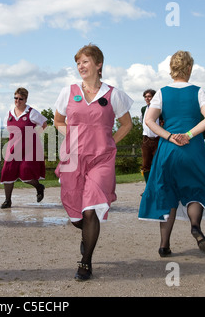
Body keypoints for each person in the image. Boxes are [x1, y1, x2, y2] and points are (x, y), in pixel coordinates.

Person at [138, 50, 205, 257]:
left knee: (167, 194)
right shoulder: (199, 92)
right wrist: (189, 134)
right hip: (193, 149)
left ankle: (164, 245)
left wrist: (170, 136)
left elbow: (149, 121)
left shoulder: (162, 92)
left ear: (171, 69)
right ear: (189, 68)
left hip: (169, 150)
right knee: (195, 191)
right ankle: (195, 227)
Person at [54, 44, 133, 281]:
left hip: (102, 159)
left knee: (91, 209)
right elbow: (58, 121)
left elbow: (127, 124)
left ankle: (85, 263)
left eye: (85, 61)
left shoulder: (113, 94)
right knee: (77, 214)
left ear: (99, 64)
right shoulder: (68, 92)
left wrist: (111, 141)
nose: (81, 66)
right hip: (73, 158)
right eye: (78, 62)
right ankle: (85, 234)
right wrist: (71, 136)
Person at [0, 87, 47, 209]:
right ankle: (8, 200)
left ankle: (39, 187)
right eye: (15, 98)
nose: (17, 101)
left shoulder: (31, 112)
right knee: (7, 172)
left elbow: (44, 124)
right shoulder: (9, 113)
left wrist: (35, 134)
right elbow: (8, 128)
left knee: (26, 173)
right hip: (13, 147)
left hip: (29, 148)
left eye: (21, 99)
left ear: (26, 99)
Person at [141, 89, 163, 184]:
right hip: (146, 139)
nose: (147, 98)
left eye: (149, 96)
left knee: (159, 164)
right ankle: (148, 187)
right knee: (146, 164)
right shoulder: (143, 109)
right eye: (145, 97)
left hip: (158, 139)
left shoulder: (160, 109)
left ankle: (158, 186)